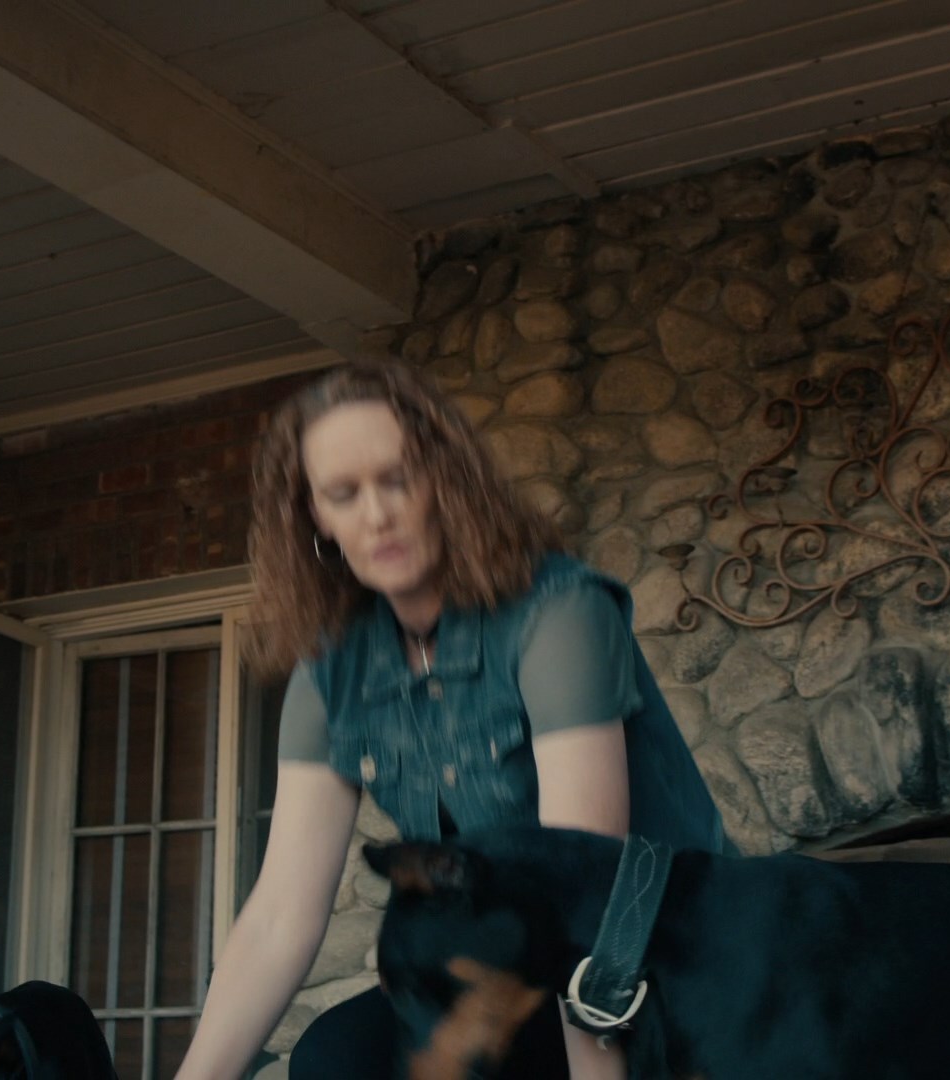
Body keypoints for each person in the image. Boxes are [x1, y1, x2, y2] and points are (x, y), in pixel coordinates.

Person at [172, 360, 728, 1080]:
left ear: (447, 480)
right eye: (343, 493)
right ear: (315, 517)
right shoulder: (332, 667)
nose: (377, 514)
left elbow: (582, 895)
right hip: (523, 973)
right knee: (339, 1057)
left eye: (398, 477)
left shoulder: (558, 614)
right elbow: (280, 914)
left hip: (666, 964)